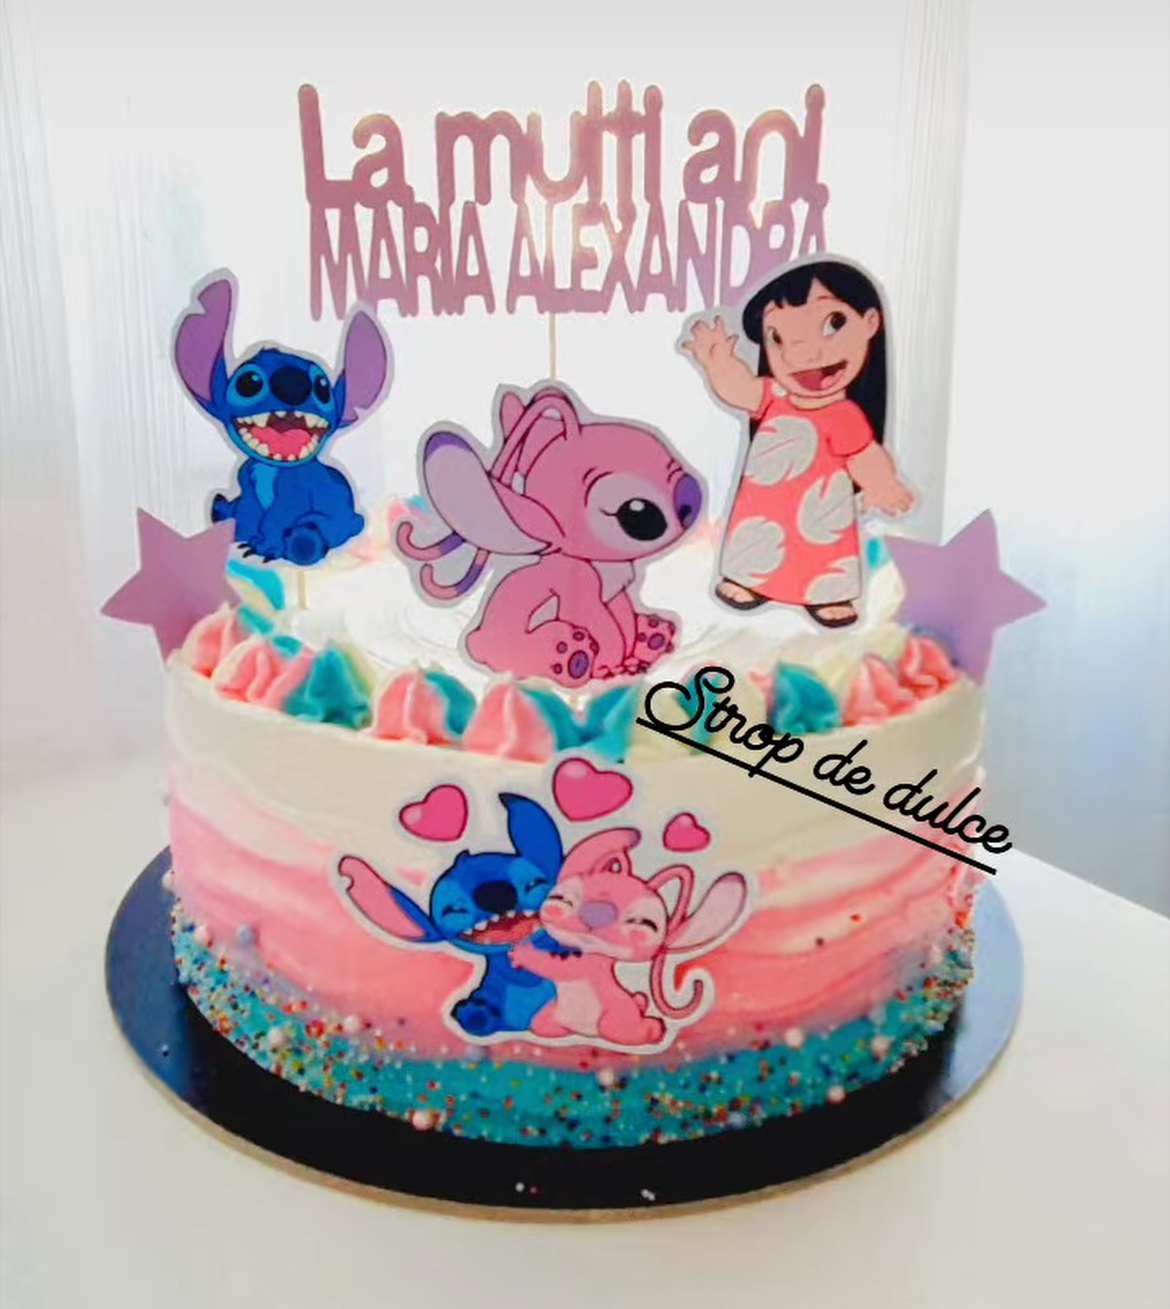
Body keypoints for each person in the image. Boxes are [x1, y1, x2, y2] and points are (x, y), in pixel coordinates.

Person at [684, 258, 913, 628]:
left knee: (823, 551)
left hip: (821, 513)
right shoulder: (773, 395)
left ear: (870, 323)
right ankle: (749, 581)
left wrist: (881, 484)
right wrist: (717, 362)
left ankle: (827, 595)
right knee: (755, 543)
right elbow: (739, 389)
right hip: (765, 509)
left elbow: (863, 454)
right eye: (778, 337)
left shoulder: (844, 415)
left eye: (833, 323)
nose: (801, 353)